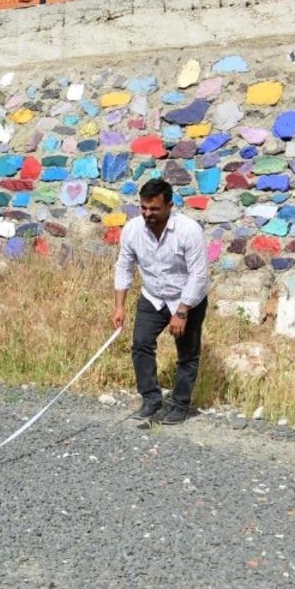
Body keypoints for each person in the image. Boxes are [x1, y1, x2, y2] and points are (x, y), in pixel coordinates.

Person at [112, 179, 210, 426]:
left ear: (169, 205)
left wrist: (183, 311)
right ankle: (151, 398)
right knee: (141, 344)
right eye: (144, 208)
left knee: (187, 354)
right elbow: (123, 266)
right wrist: (120, 306)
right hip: (153, 296)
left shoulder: (189, 231)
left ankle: (180, 405)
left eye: (154, 209)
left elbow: (198, 274)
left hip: (187, 298)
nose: (147, 214)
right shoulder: (133, 230)